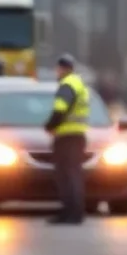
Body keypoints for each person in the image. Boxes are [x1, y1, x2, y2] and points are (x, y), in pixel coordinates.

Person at [43, 53, 91, 225]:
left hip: (67, 137)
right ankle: (74, 211)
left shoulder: (67, 85)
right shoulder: (80, 84)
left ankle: (70, 212)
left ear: (62, 69)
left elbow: (60, 109)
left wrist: (49, 126)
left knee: (66, 176)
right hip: (78, 135)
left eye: (58, 68)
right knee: (74, 174)